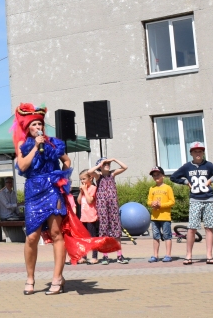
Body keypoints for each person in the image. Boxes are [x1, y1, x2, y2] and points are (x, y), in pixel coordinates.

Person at [13, 104, 119, 296]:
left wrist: (63, 177)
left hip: (53, 189)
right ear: (28, 128)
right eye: (34, 124)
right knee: (31, 237)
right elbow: (22, 165)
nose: (38, 127)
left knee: (56, 233)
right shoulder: (24, 145)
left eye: (40, 124)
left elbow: (67, 160)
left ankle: (57, 278)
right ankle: (30, 278)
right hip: (34, 191)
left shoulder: (54, 143)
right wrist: (36, 147)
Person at [169, 142, 213, 266]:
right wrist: (186, 182)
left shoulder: (208, 165)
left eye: (200, 151)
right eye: (195, 151)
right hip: (195, 199)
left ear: (203, 153)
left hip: (208, 199)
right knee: (192, 228)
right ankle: (189, 255)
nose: (198, 153)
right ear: (191, 153)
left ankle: (209, 255)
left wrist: (211, 179)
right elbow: (173, 177)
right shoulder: (187, 167)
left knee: (209, 227)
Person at [94, 157, 129, 264]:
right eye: (105, 164)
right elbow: (90, 171)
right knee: (104, 230)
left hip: (113, 206)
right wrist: (100, 164)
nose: (107, 165)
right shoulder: (98, 176)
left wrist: (114, 159)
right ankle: (105, 256)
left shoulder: (112, 174)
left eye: (108, 163)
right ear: (100, 166)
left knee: (116, 230)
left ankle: (119, 255)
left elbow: (125, 167)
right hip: (102, 206)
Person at [146, 167, 175, 263]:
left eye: (158, 175)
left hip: (165, 216)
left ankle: (168, 255)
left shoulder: (167, 188)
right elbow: (149, 201)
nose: (156, 177)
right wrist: (152, 204)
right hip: (155, 217)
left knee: (167, 235)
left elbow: (172, 202)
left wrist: (161, 205)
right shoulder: (152, 188)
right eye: (154, 175)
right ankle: (155, 255)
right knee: (155, 236)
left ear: (163, 175)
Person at [77, 170, 100, 264]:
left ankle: (94, 256)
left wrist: (85, 190)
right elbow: (79, 201)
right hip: (84, 217)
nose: (82, 181)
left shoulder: (93, 188)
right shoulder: (84, 189)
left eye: (84, 179)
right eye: (81, 179)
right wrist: (81, 192)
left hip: (91, 217)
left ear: (91, 178)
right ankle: (83, 256)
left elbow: (90, 201)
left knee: (92, 237)